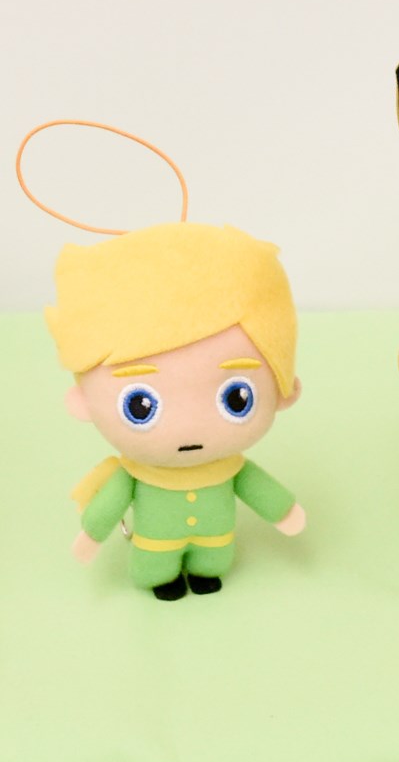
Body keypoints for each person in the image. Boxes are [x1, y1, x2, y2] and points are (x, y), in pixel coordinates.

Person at [46, 222, 306, 600]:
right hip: (155, 546)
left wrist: (283, 510)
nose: (189, 427)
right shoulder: (137, 474)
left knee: (212, 562)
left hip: (216, 542)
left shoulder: (230, 468)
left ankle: (205, 573)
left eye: (237, 398)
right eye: (140, 407)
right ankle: (162, 578)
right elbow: (109, 505)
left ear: (283, 390)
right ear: (83, 403)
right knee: (156, 565)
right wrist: (92, 534)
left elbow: (259, 488)